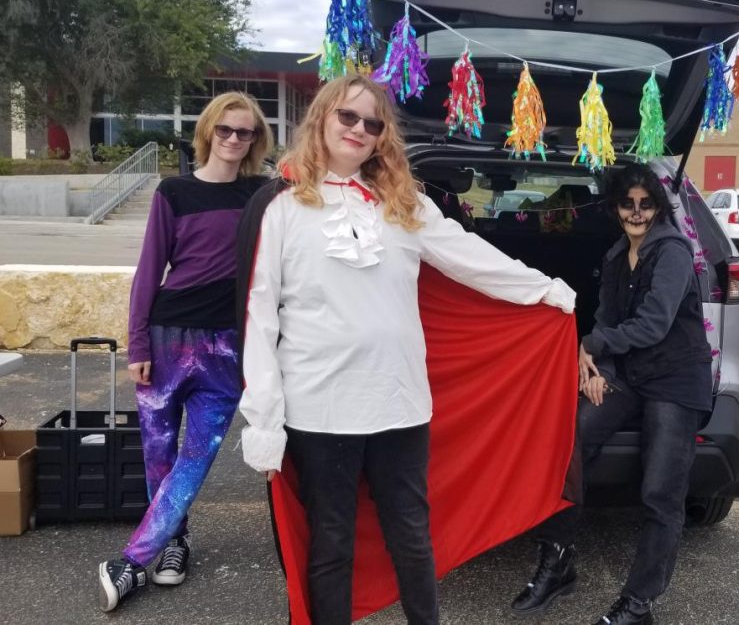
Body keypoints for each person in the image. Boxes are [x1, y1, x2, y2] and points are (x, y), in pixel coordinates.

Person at [237, 74, 576, 625]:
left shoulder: (402, 202)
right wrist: (264, 419)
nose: (359, 130)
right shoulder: (279, 206)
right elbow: (257, 315)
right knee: (332, 544)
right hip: (318, 409)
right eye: (348, 117)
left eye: (372, 123)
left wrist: (546, 290)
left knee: (412, 537)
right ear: (322, 117)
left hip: (399, 403)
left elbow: (468, 256)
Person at [510, 163, 713, 625]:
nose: (637, 212)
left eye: (646, 204)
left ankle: (638, 604)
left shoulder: (673, 251)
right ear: (615, 207)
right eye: (628, 203)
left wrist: (592, 347)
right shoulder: (616, 254)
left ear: (658, 206)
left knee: (661, 491)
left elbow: (654, 323)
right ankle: (558, 560)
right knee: (569, 442)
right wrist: (597, 368)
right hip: (631, 374)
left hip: (677, 379)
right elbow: (607, 316)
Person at [98, 92, 273, 612]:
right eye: (226, 130)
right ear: (208, 132)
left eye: (245, 133)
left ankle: (133, 558)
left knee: (196, 457)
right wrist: (137, 343)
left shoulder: (263, 196)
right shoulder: (172, 191)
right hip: (167, 339)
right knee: (158, 453)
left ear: (255, 140)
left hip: (226, 348)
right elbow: (149, 271)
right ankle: (175, 541)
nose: (235, 140)